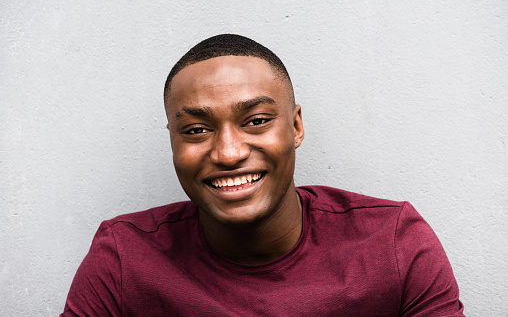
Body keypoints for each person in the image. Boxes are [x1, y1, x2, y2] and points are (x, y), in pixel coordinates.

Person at [61, 34, 464, 316]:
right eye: (197, 130)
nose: (229, 153)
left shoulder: (394, 243)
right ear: (173, 142)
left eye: (255, 120)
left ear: (296, 127)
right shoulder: (124, 257)